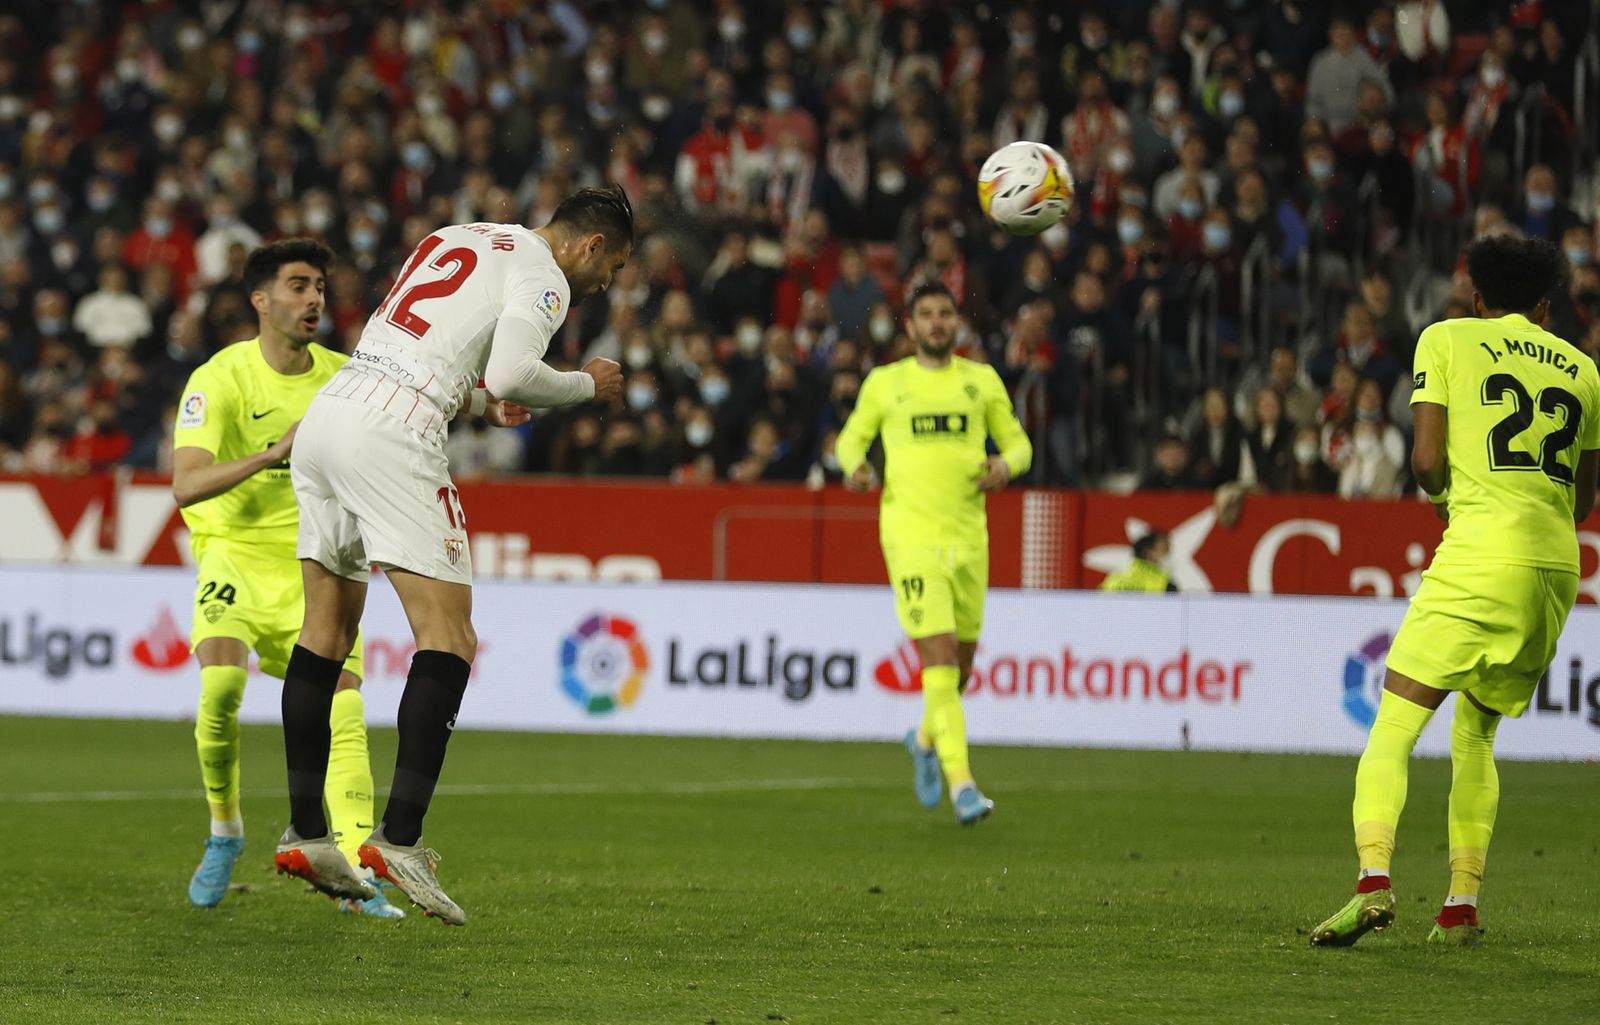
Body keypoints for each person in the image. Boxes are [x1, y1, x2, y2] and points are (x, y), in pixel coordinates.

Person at [273, 186, 631, 924]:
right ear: (591, 247)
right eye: (614, 267)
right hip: (395, 435)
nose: (606, 284)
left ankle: (308, 830)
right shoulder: (547, 275)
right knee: (450, 637)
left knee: (326, 632)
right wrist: (583, 386)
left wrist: (478, 401)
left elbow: (428, 351)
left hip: (331, 416)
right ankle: (400, 838)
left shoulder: (460, 234)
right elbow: (510, 373)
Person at [1311, 236, 1600, 947]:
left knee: (1395, 720)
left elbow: (1428, 459)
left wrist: (1447, 495)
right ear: (1544, 306)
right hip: (1558, 567)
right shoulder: (1586, 369)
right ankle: (1460, 905)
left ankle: (1373, 881)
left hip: (1482, 551)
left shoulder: (1445, 338)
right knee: (1477, 729)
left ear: (1477, 299)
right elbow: (1584, 500)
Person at [171, 239, 401, 918]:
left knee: (346, 708)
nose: (314, 299)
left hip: (316, 560)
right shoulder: (221, 377)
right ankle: (225, 830)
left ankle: (358, 875)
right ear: (260, 299)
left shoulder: (343, 376)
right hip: (236, 554)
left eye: (321, 287)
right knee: (220, 687)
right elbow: (186, 484)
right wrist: (273, 452)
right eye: (298, 285)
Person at [835, 283, 1032, 826]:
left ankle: (923, 740)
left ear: (957, 324)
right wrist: (854, 468)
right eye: (926, 315)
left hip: (970, 540)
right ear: (910, 326)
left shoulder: (980, 381)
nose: (937, 322)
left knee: (960, 672)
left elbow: (1019, 444)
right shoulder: (887, 383)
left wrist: (1004, 467)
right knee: (940, 663)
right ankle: (963, 785)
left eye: (945, 313)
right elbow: (851, 440)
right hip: (910, 537)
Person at [1100, 530, 1176, 592]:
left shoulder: (1112, 580)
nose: (1168, 553)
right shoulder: (1164, 584)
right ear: (1149, 553)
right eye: (1165, 549)